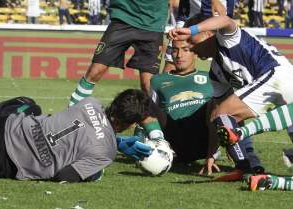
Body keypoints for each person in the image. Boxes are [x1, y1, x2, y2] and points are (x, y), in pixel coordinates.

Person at [168, 14, 293, 180]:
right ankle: (251, 167)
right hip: (280, 85)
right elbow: (222, 119)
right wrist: (211, 154)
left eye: (192, 42)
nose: (191, 48)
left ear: (208, 34)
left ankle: (244, 167)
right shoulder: (216, 72)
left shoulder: (227, 38)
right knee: (223, 116)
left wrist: (190, 29)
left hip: (276, 78)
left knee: (222, 114)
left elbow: (226, 20)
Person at [0, 90, 156, 183]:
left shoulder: (89, 102)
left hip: (2, 126)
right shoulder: (106, 153)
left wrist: (115, 141)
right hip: (1, 163)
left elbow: (85, 129)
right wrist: (95, 173)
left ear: (115, 102)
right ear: (131, 124)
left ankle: (5, 109)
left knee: (32, 107)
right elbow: (64, 176)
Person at [147, 38, 263, 176]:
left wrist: (211, 154)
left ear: (195, 53)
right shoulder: (157, 80)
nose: (179, 55)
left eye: (185, 50)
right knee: (141, 100)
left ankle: (246, 159)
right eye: (175, 50)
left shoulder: (211, 78)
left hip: (204, 140)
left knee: (223, 102)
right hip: (174, 140)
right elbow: (151, 115)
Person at [68, 0, 169, 106]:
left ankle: (153, 120)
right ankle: (72, 110)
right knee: (96, 70)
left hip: (153, 23)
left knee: (148, 84)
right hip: (122, 18)